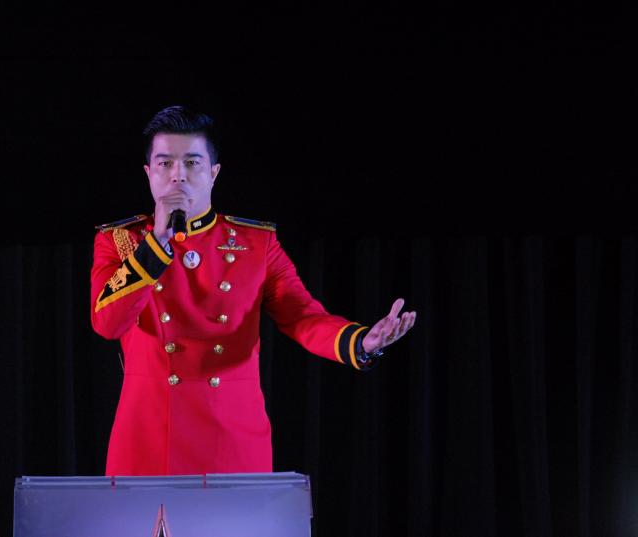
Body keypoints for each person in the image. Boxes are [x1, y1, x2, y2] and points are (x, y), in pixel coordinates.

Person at [90, 106, 416, 476]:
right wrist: (155, 245)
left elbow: (302, 315)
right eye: (165, 164)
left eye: (192, 163)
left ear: (214, 173)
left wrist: (361, 342)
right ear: (149, 173)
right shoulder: (121, 242)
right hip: (148, 437)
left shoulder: (256, 244)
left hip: (231, 438)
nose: (178, 175)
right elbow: (108, 324)